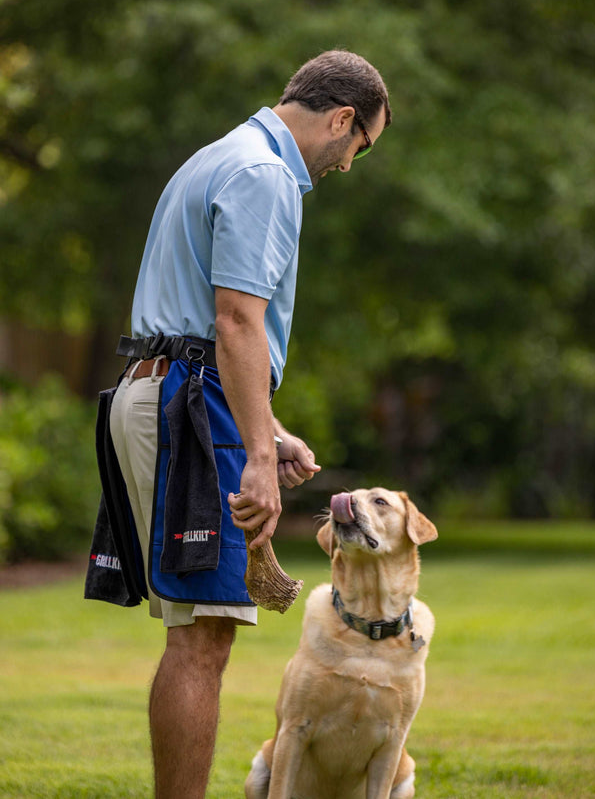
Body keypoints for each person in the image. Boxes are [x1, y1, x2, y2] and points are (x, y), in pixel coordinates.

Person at [109, 49, 391, 798]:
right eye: (360, 145)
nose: (349, 164)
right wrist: (258, 458)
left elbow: (203, 327)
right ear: (341, 118)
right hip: (184, 409)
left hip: (168, 392)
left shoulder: (219, 154)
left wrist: (268, 428)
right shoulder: (268, 176)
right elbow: (236, 321)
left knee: (195, 630)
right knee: (204, 639)